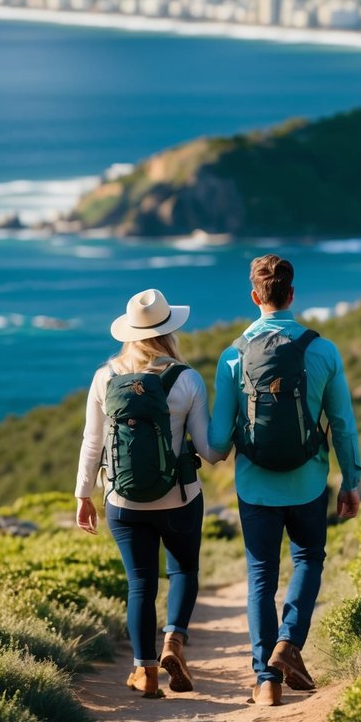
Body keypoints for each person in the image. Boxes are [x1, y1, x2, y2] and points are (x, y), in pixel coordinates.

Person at [209, 254, 361, 706]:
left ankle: (265, 680)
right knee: (309, 558)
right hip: (309, 480)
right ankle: (289, 644)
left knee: (260, 576)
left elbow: (218, 442)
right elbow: (343, 425)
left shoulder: (231, 357)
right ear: (292, 295)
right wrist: (351, 480)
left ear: (256, 297)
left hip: (254, 484)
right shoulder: (323, 350)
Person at [75, 287, 221, 699]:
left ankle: (146, 671)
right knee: (183, 571)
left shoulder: (106, 377)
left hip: (123, 502)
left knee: (140, 583)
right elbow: (208, 450)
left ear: (129, 333)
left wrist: (83, 495)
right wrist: (237, 442)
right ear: (169, 331)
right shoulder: (186, 378)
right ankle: (174, 640)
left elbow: (92, 442)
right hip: (180, 497)